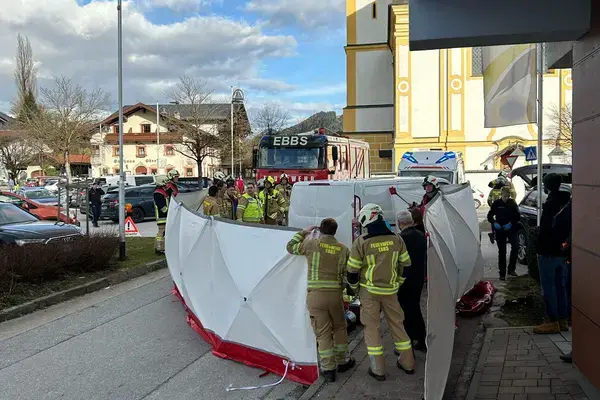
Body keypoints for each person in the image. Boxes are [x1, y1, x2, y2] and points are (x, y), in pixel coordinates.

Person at [347, 203, 415, 381]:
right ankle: (408, 363)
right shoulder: (396, 239)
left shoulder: (361, 242)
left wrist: (354, 290)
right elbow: (406, 266)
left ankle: (378, 370)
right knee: (398, 325)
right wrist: (398, 283)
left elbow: (352, 272)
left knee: (372, 329)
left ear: (366, 218)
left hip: (369, 292)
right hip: (391, 291)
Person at [286, 218, 355, 383]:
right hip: (335, 296)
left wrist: (304, 232)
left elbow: (290, 247)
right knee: (339, 328)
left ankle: (328, 369)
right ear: (335, 231)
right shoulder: (343, 249)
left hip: (315, 296)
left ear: (321, 230)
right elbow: (348, 274)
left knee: (323, 332)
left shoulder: (312, 245)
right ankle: (344, 361)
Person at [534, 173, 571, 334]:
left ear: (546, 186)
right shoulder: (568, 202)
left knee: (548, 287)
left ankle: (551, 321)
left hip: (548, 251)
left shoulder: (550, 204)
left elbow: (545, 230)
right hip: (561, 251)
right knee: (560, 286)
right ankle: (563, 320)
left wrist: (539, 246)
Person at [395, 210, 428, 352]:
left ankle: (411, 339)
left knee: (406, 310)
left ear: (399, 223)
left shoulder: (400, 239)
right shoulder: (421, 236)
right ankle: (420, 339)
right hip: (419, 278)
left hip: (405, 279)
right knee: (415, 307)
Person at [487, 186, 521, 280]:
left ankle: (511, 269)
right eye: (505, 196)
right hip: (500, 229)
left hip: (511, 228)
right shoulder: (496, 204)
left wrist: (511, 223)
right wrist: (494, 223)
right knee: (502, 252)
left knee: (515, 247)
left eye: (508, 196)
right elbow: (490, 216)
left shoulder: (512, 203)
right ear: (501, 195)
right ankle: (502, 273)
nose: (506, 198)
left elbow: (518, 216)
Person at [153, 176, 171, 254]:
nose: (167, 184)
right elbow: (161, 206)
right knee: (161, 233)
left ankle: (162, 248)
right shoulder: (158, 193)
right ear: (162, 183)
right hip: (161, 217)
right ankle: (159, 249)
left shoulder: (163, 191)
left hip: (165, 217)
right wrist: (168, 212)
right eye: (166, 182)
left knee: (163, 233)